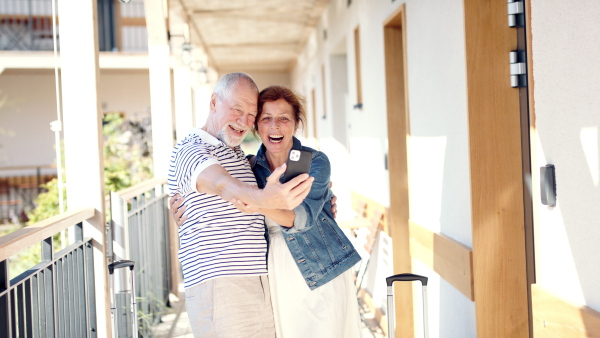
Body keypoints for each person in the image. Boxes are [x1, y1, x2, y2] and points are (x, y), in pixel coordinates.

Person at [168, 72, 314, 338]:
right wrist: (268, 198)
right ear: (213, 102)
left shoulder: (236, 154)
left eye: (251, 114)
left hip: (259, 281)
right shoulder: (192, 149)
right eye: (236, 109)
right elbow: (223, 185)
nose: (243, 121)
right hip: (222, 283)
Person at [239, 85, 363, 338]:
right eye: (266, 119)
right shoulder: (249, 166)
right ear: (257, 126)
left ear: (295, 124)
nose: (275, 126)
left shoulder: (315, 161)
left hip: (322, 263)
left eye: (284, 118)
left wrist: (256, 203)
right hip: (277, 269)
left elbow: (301, 219)